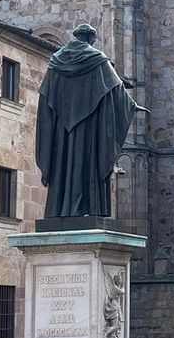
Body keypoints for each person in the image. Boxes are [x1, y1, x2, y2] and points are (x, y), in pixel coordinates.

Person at [34, 23, 145, 221]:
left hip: (62, 133)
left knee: (64, 165)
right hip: (90, 130)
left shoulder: (55, 62)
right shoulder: (98, 60)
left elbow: (45, 97)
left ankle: (59, 210)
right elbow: (117, 91)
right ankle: (88, 208)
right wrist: (132, 106)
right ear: (91, 38)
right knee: (88, 164)